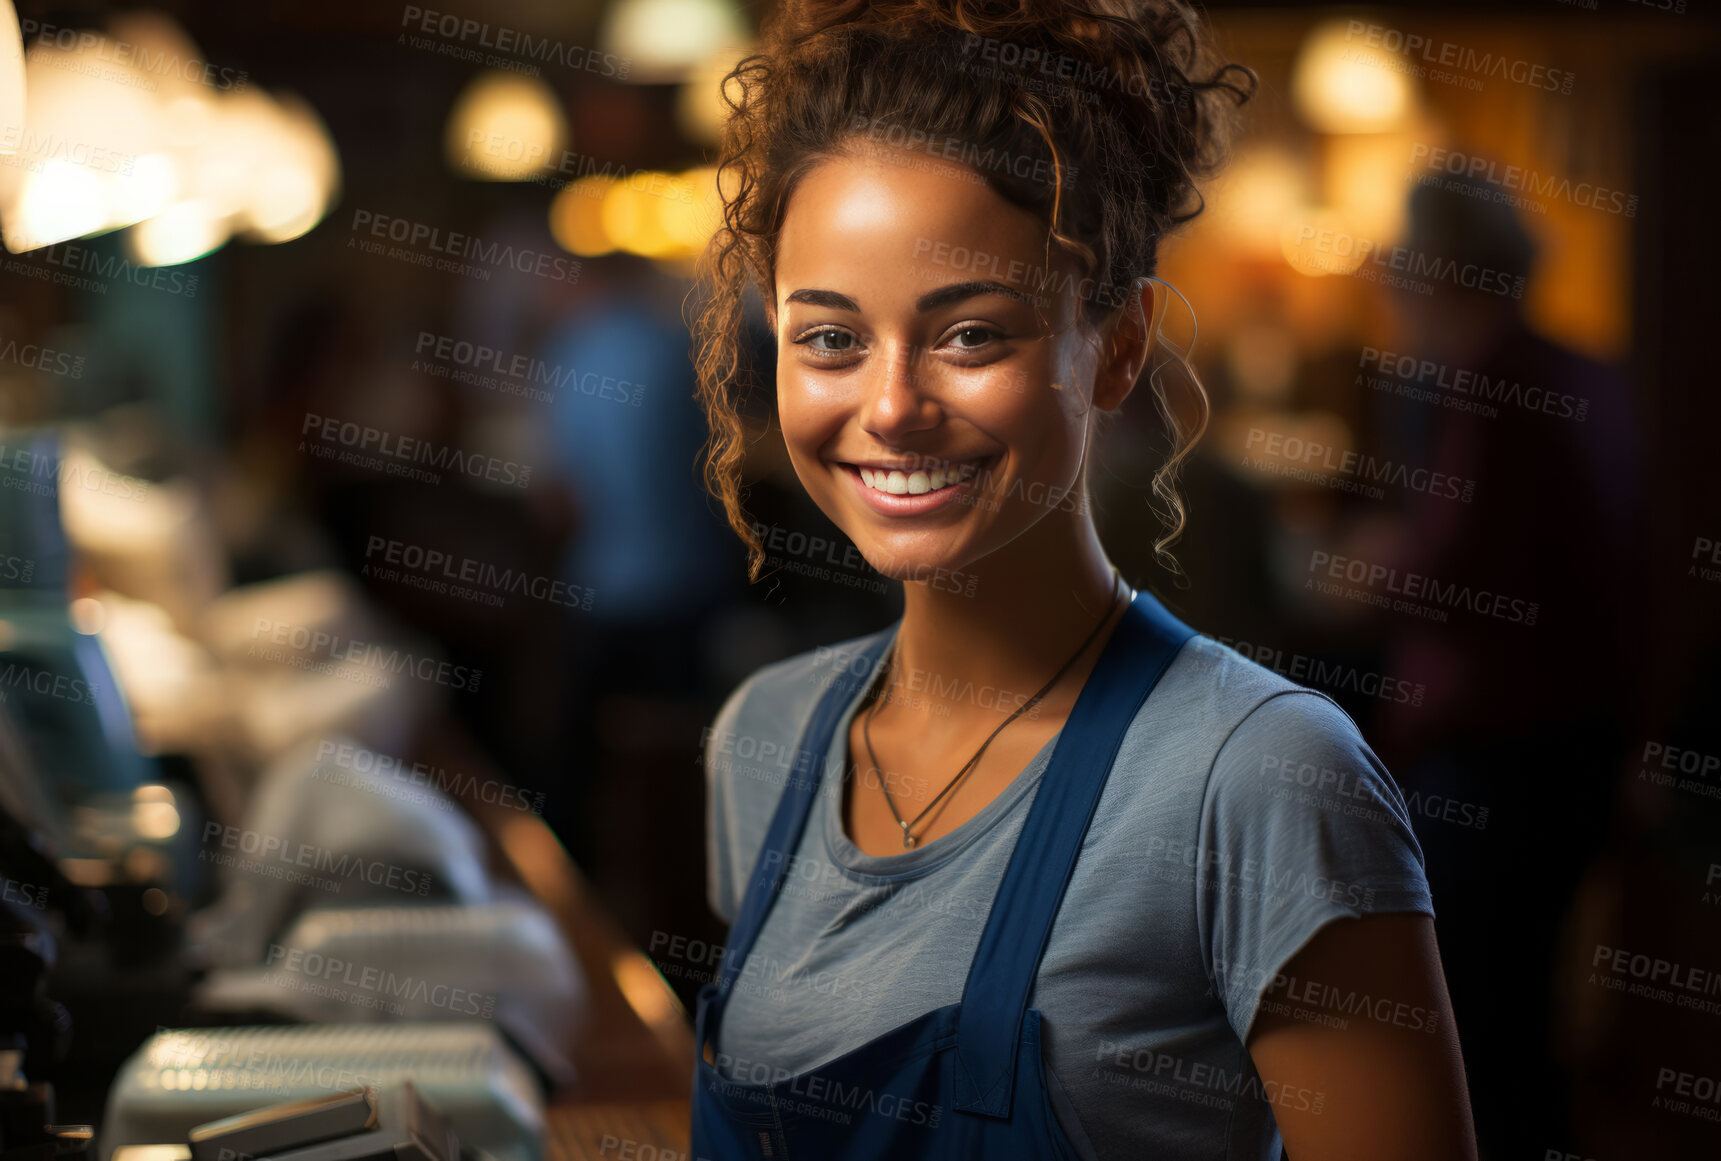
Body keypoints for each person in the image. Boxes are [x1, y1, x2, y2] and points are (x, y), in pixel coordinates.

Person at [689, 2, 1478, 1157]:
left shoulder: (1260, 780)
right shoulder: (762, 740)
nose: (892, 405)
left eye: (970, 336)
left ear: (1115, 348)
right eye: (829, 338)